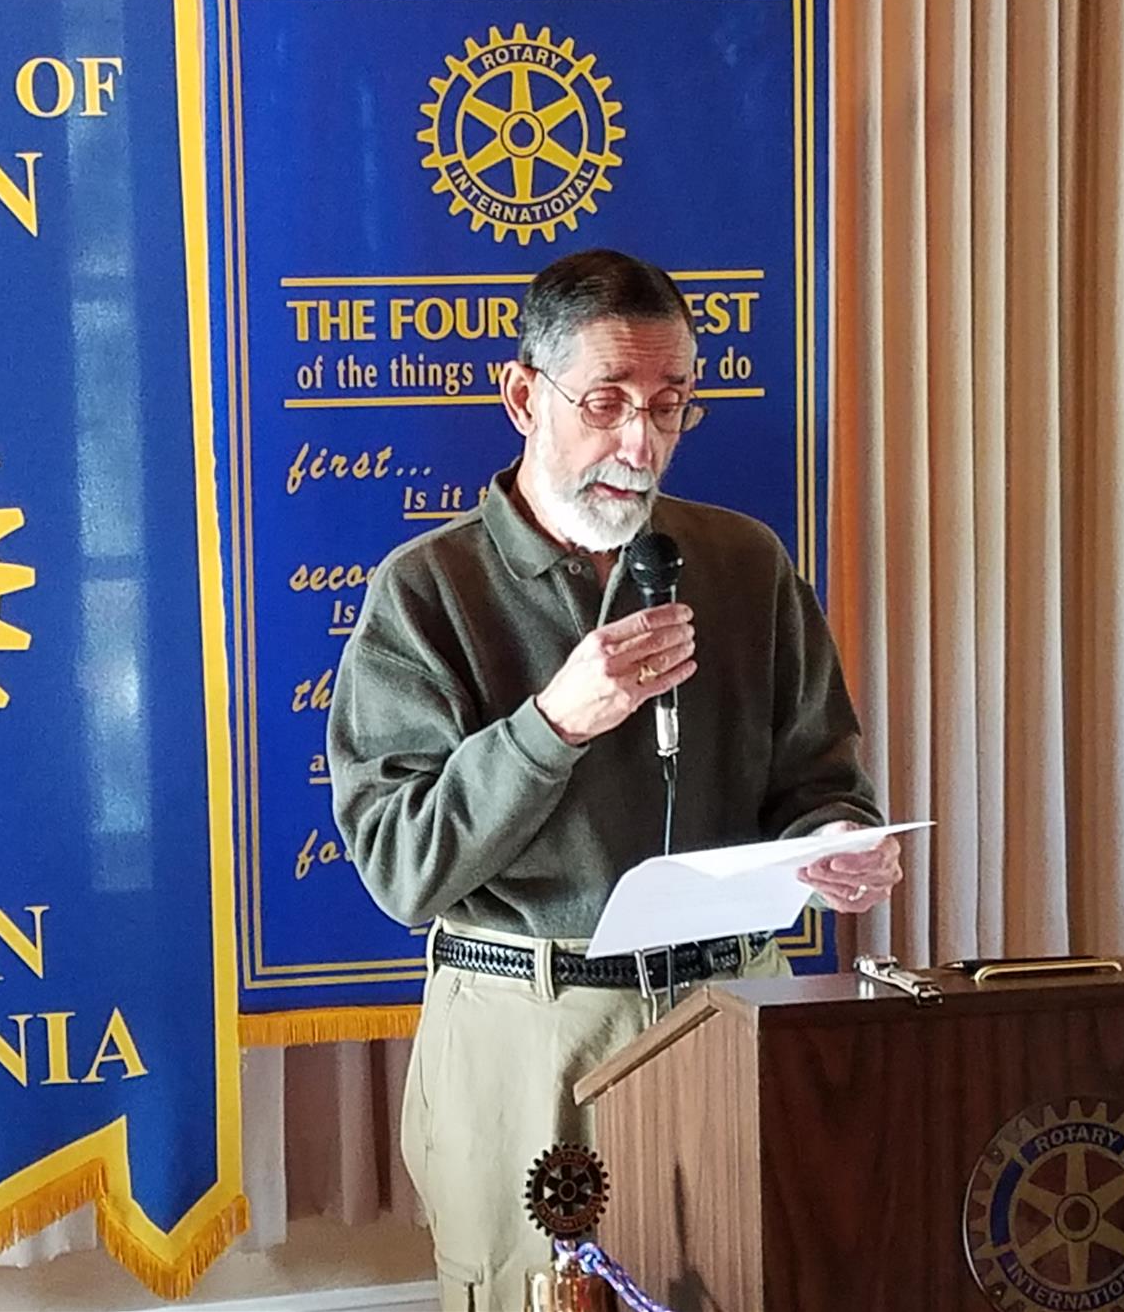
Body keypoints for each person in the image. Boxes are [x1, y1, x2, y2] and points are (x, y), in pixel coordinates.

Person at [327, 248, 903, 1312]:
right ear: (523, 398)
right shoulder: (424, 593)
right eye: (605, 403)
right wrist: (553, 724)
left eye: (670, 404)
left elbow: (819, 777)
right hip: (533, 1030)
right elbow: (403, 870)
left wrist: (836, 842)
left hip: (733, 1008)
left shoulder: (743, 561)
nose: (641, 444)